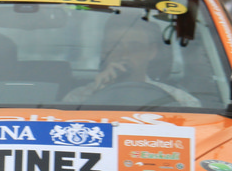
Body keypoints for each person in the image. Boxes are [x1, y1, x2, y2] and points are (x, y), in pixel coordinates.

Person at [63, 20, 201, 107]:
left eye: (135, 47)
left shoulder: (180, 101)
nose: (124, 54)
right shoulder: (78, 98)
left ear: (152, 52)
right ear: (104, 50)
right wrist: (98, 95)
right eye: (115, 46)